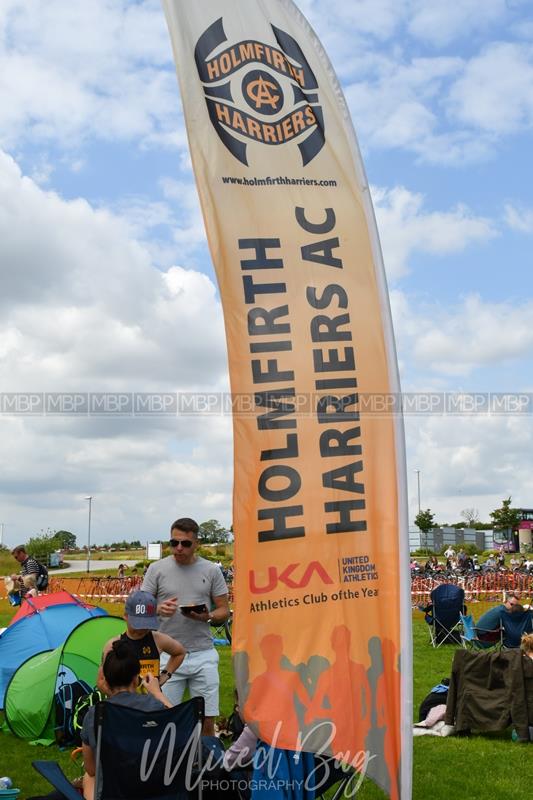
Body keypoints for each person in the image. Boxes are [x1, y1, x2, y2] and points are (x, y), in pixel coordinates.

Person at [142, 517, 229, 735]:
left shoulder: (211, 570)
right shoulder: (156, 569)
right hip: (166, 655)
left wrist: (206, 616)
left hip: (202, 653)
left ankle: (207, 763)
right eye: (174, 543)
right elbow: (140, 609)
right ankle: (167, 764)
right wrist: (158, 609)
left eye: (185, 543)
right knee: (164, 717)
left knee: (207, 719)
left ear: (196, 544)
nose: (179, 548)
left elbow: (223, 611)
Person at [81, 639, 172, 800]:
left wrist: (109, 695)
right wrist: (157, 693)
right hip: (154, 791)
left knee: (89, 777)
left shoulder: (95, 714)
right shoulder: (156, 708)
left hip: (112, 793)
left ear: (106, 681)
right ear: (136, 679)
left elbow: (91, 769)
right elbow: (185, 725)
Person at [100, 589, 187, 687]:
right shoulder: (113, 645)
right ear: (126, 616)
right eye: (138, 624)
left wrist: (166, 675)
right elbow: (102, 681)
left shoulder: (157, 639)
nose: (142, 629)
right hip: (125, 701)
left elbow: (180, 652)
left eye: (146, 624)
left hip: (153, 700)